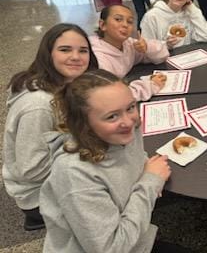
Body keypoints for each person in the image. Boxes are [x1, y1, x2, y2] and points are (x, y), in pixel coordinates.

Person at [39, 69, 174, 252]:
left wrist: (147, 178)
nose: (128, 121)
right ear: (83, 124)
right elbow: (111, 248)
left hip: (129, 229)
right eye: (112, 116)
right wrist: (150, 183)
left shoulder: (125, 130)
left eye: (130, 107)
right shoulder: (74, 173)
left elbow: (135, 162)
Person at [2, 23, 98, 231]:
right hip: (38, 193)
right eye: (65, 50)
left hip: (58, 167)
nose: (76, 57)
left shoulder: (65, 84)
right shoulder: (39, 105)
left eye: (83, 50)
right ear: (48, 54)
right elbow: (32, 169)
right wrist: (87, 151)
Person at [89, 4, 169, 101]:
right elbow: (111, 96)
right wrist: (150, 85)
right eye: (118, 19)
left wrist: (147, 48)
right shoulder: (97, 58)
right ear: (103, 25)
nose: (125, 25)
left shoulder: (128, 44)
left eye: (130, 22)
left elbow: (163, 54)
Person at [141, 0, 207, 47]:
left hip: (187, 55)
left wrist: (192, 9)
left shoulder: (191, 14)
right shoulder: (152, 16)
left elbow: (206, 37)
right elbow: (146, 47)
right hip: (163, 57)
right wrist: (165, 45)